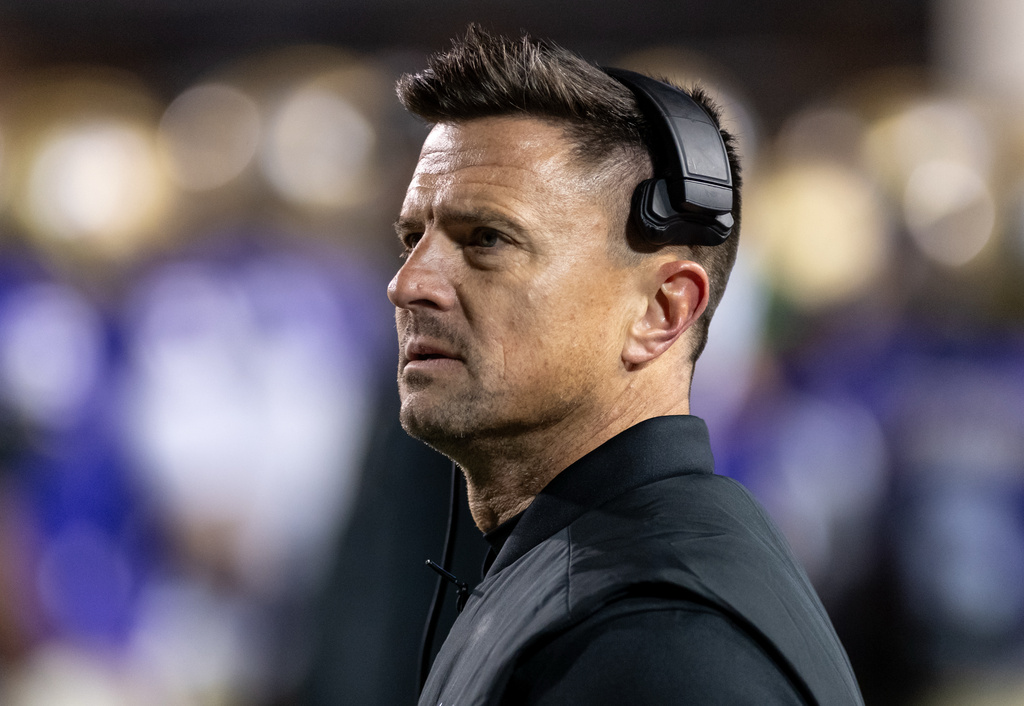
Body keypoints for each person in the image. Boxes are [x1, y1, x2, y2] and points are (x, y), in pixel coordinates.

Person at [387, 25, 864, 706]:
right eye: (412, 237)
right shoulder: (578, 568)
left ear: (662, 312)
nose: (409, 283)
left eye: (487, 239)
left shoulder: (662, 642)